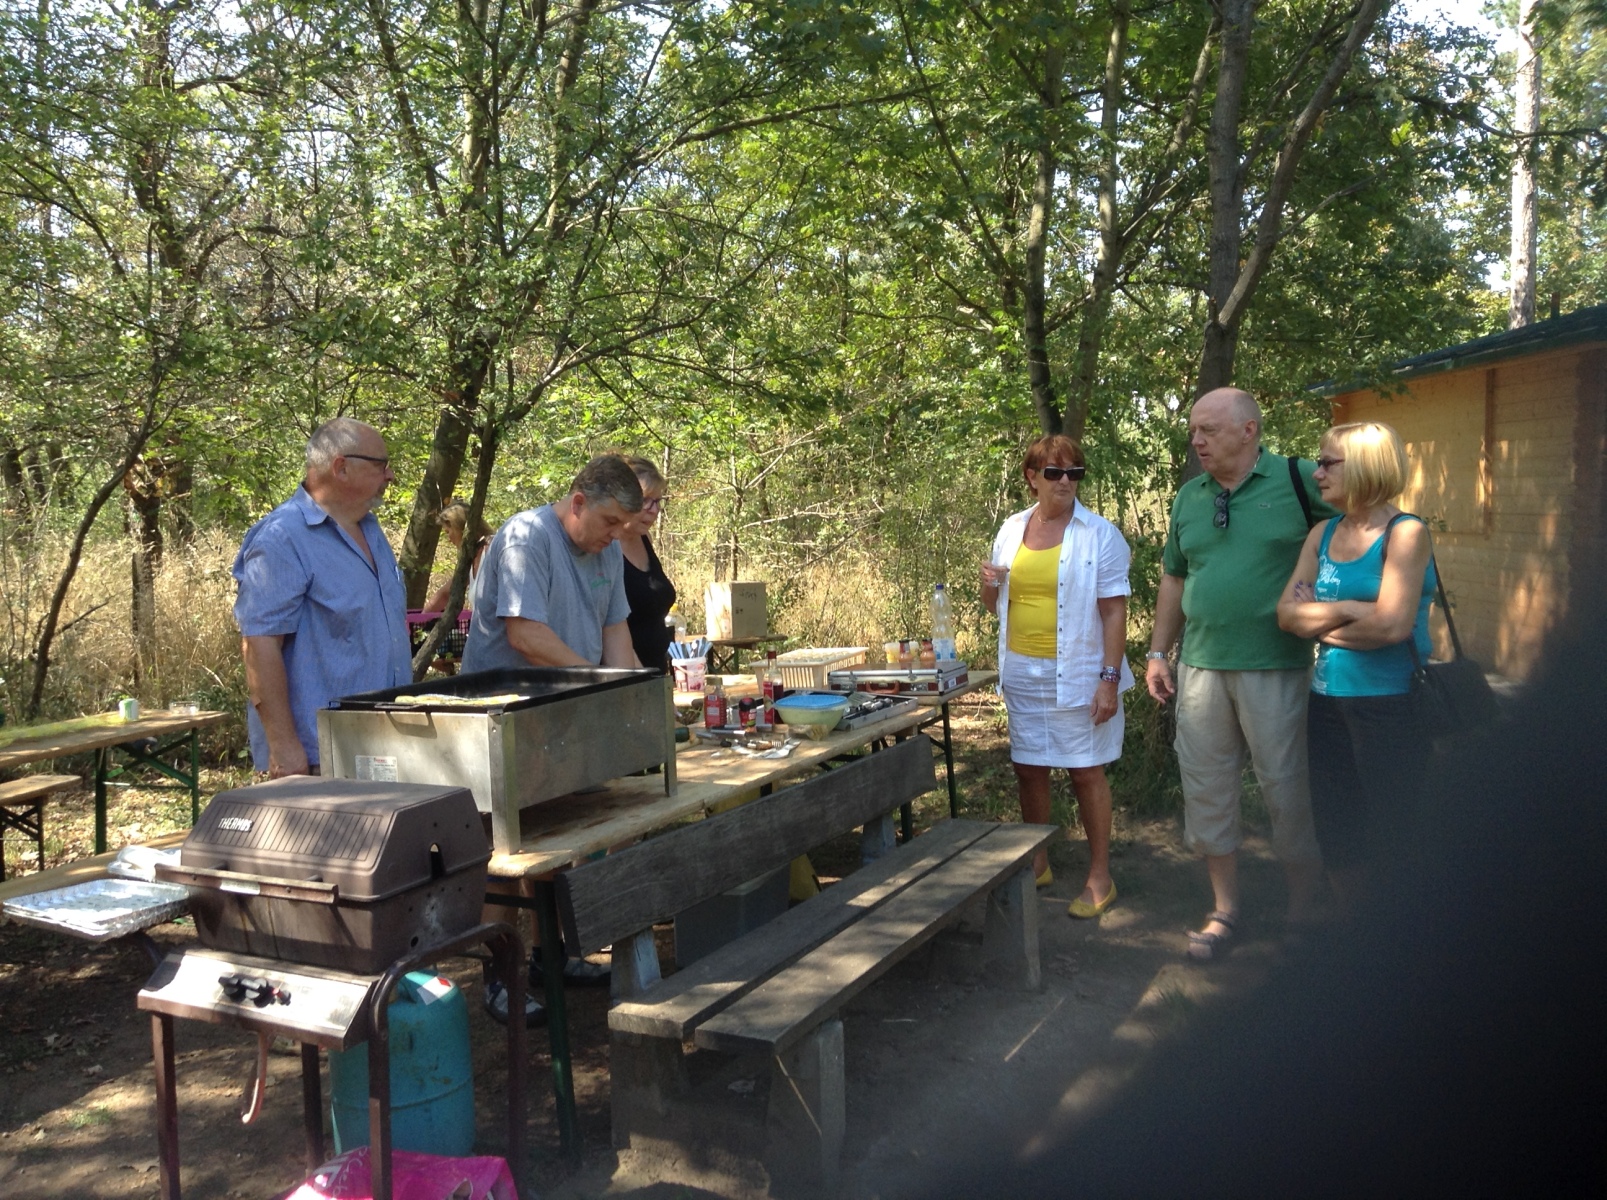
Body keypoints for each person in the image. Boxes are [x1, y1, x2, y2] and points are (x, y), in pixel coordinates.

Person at [1145, 387, 1339, 960]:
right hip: (1200, 668)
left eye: (1208, 430)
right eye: (1193, 431)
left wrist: (1336, 608)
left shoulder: (1301, 481)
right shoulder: (1190, 496)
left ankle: (1302, 908)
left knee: (1289, 789)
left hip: (1278, 666)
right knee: (1206, 788)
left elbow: (1358, 539)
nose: (1197, 441)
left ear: (1249, 429)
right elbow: (1174, 577)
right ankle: (1225, 910)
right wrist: (1158, 652)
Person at [1275, 421, 1435, 908]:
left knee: (1395, 826)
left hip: (1390, 705)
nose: (1317, 473)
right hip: (1326, 703)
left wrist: (1318, 622)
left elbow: (1391, 627)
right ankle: (1352, 928)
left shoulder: (1405, 533)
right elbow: (1285, 614)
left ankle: (1400, 929)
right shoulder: (1322, 533)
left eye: (1327, 463)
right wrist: (1350, 609)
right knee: (1338, 823)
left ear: (1365, 467)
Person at [982, 434, 1133, 920]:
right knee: (1029, 767)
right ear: (1032, 477)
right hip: (1023, 673)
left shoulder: (1100, 535)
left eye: (1074, 473)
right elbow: (994, 604)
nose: (1065, 481)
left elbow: (1114, 612)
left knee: (1086, 771)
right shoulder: (1011, 529)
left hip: (1079, 673)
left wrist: (1109, 679)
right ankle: (1038, 861)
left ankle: (1100, 876)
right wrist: (988, 585)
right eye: (1054, 472)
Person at [232, 418, 411, 778]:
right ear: (341, 468)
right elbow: (260, 645)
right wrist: (284, 747)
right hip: (321, 757)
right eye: (381, 465)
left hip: (384, 747)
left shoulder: (371, 530)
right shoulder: (282, 538)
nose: (390, 476)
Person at [460, 455, 644, 673]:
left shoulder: (609, 548)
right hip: (502, 692)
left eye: (622, 524)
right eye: (610, 521)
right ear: (578, 504)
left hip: (573, 691)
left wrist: (625, 688)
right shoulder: (528, 537)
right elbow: (525, 636)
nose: (616, 534)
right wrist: (596, 680)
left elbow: (614, 629)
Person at [617, 456, 677, 673]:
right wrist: (641, 679)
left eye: (658, 501)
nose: (654, 510)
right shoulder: (604, 547)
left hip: (657, 671)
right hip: (627, 675)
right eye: (645, 500)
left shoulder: (645, 539)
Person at [422, 498, 494, 615]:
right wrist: (419, 622)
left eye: (448, 532)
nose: (448, 539)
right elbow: (445, 594)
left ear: (459, 527)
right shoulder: (471, 558)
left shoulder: (492, 550)